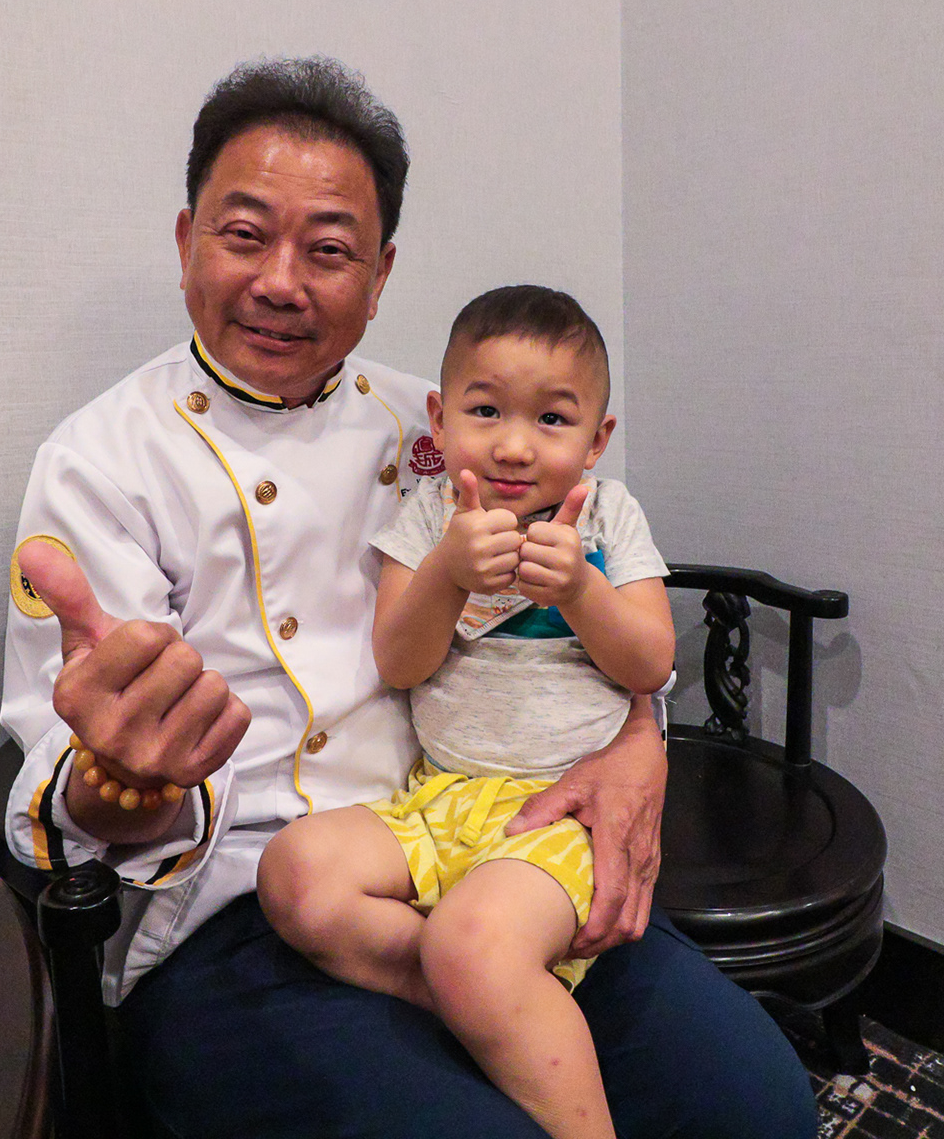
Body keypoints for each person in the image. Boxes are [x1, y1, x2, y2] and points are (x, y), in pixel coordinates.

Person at [0, 55, 818, 1137]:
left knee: (758, 1105)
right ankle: (481, 988)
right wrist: (127, 780)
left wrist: (639, 742)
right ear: (188, 237)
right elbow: (71, 795)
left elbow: (595, 615)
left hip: (499, 836)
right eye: (244, 235)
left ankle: (491, 982)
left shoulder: (451, 424)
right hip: (239, 920)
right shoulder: (100, 461)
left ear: (381, 274)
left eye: (329, 250)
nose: (281, 281)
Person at [257, 284, 675, 1139]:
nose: (514, 444)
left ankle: (514, 1023)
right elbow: (400, 663)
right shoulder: (430, 520)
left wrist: (583, 590)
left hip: (561, 813)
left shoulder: (610, 516)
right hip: (438, 798)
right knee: (294, 875)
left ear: (597, 440)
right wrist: (447, 572)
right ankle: (483, 992)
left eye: (552, 420)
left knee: (472, 942)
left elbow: (651, 664)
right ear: (441, 422)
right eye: (486, 411)